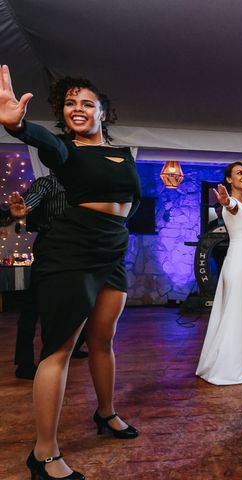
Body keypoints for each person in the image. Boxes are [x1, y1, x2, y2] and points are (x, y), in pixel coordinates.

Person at [1, 65, 140, 480]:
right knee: (59, 349)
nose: (77, 108)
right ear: (64, 115)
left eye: (86, 103)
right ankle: (43, 454)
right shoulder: (66, 150)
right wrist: (21, 127)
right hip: (72, 250)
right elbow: (49, 147)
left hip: (113, 250)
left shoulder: (123, 153)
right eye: (69, 104)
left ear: (103, 112)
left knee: (104, 340)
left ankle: (106, 413)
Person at [9, 174, 88, 381]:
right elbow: (32, 199)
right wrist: (22, 208)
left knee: (83, 302)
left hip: (80, 249)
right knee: (34, 306)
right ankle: (25, 363)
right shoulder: (49, 181)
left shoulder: (85, 182)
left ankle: (72, 346)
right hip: (51, 249)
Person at [197, 162, 242, 385]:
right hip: (236, 265)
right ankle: (230, 365)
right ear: (228, 180)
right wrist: (226, 201)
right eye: (238, 173)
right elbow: (231, 204)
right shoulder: (232, 203)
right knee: (236, 312)